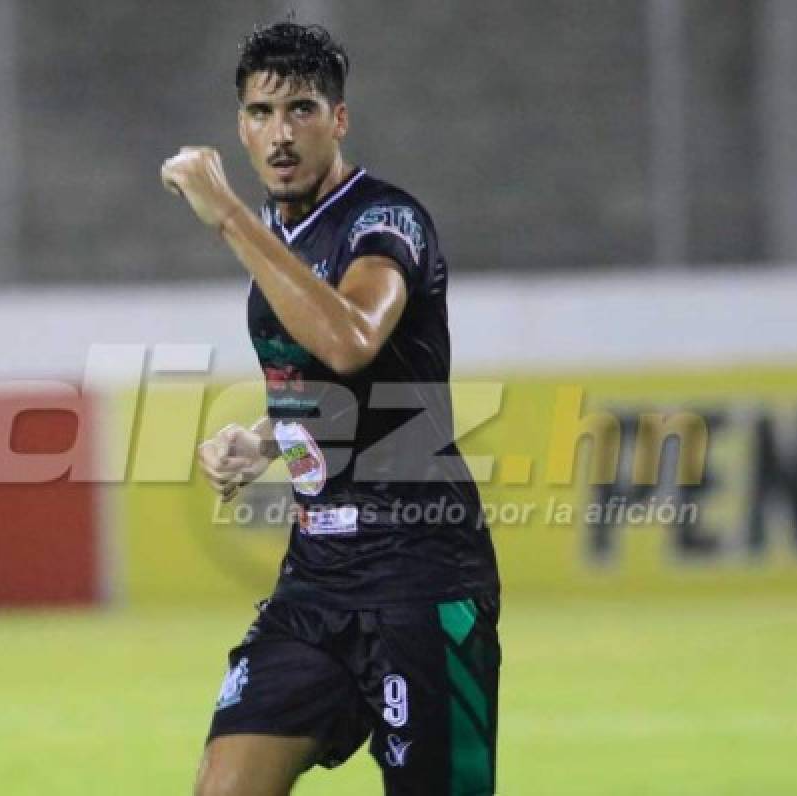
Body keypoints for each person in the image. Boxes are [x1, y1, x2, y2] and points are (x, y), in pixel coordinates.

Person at [161, 20, 501, 796]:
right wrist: (264, 438)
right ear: (240, 126)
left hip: (420, 574)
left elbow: (350, 341)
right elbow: (331, 388)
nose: (281, 135)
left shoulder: (386, 223)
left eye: (302, 110)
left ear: (338, 119)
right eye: (260, 113)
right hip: (317, 580)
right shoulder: (281, 240)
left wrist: (227, 217)